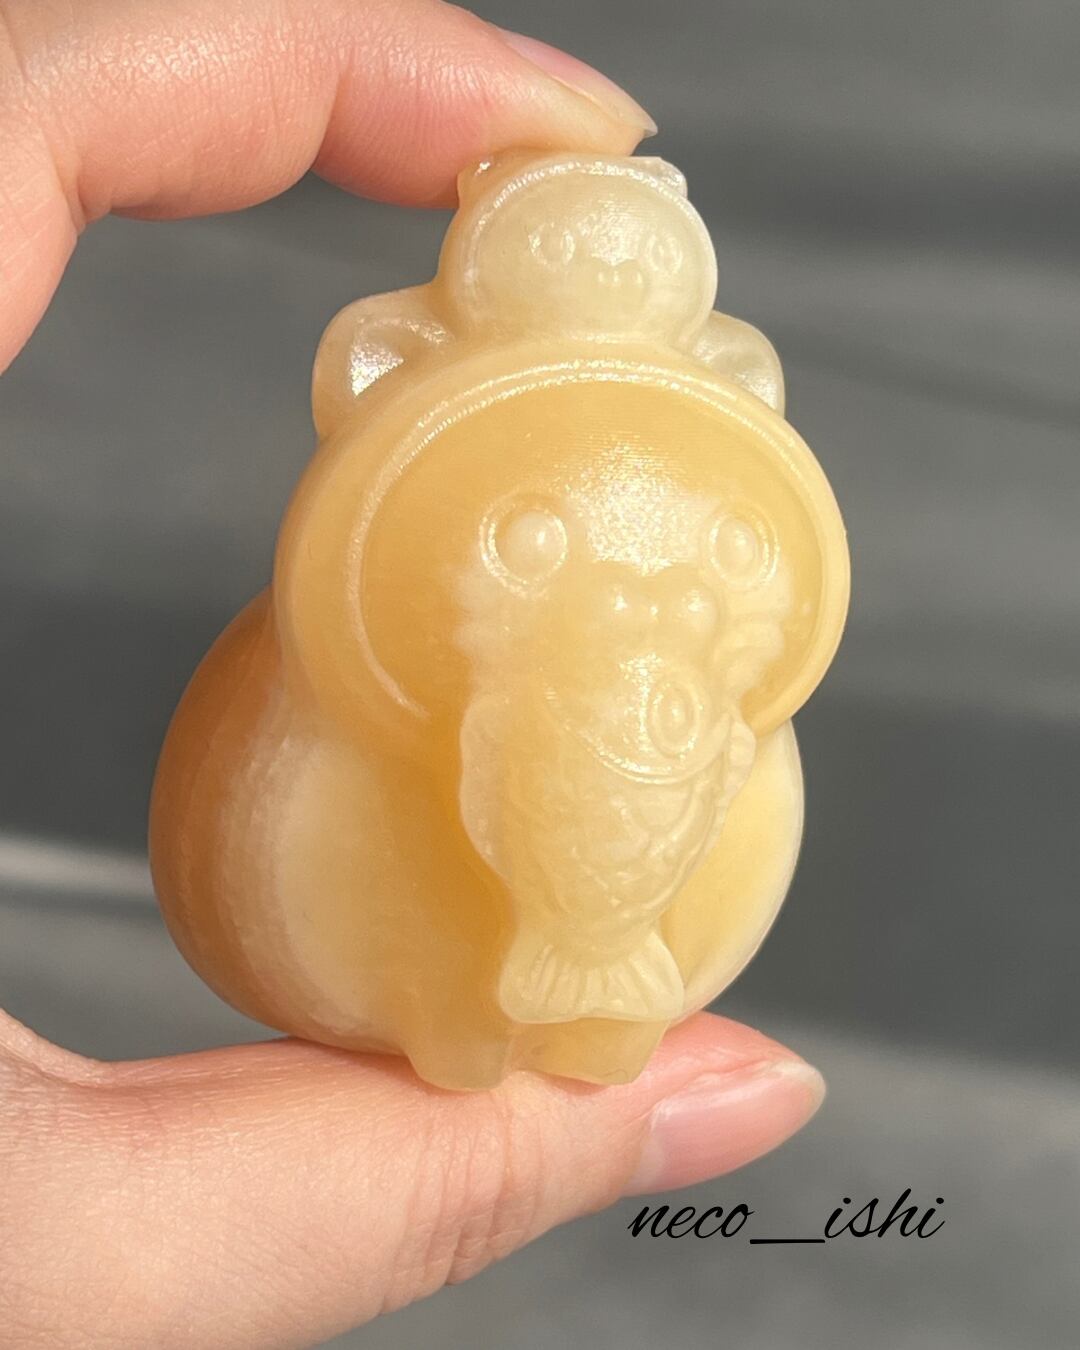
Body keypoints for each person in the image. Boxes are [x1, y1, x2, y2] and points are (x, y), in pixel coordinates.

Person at [0, 3, 825, 1345]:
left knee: (665, 838)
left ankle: (587, 974)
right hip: (384, 760)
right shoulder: (406, 359)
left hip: (681, 768)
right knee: (403, 866)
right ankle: (481, 988)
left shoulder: (718, 382)